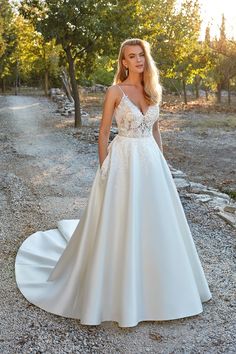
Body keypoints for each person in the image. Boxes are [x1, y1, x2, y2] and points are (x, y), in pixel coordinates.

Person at [15, 38, 212, 328]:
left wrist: (162, 163)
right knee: (122, 221)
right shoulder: (115, 91)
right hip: (123, 160)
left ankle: (163, 290)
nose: (138, 60)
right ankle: (119, 291)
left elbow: (156, 131)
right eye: (131, 56)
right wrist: (105, 167)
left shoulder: (154, 91)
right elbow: (104, 131)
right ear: (123, 62)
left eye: (141, 55)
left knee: (156, 223)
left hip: (151, 163)